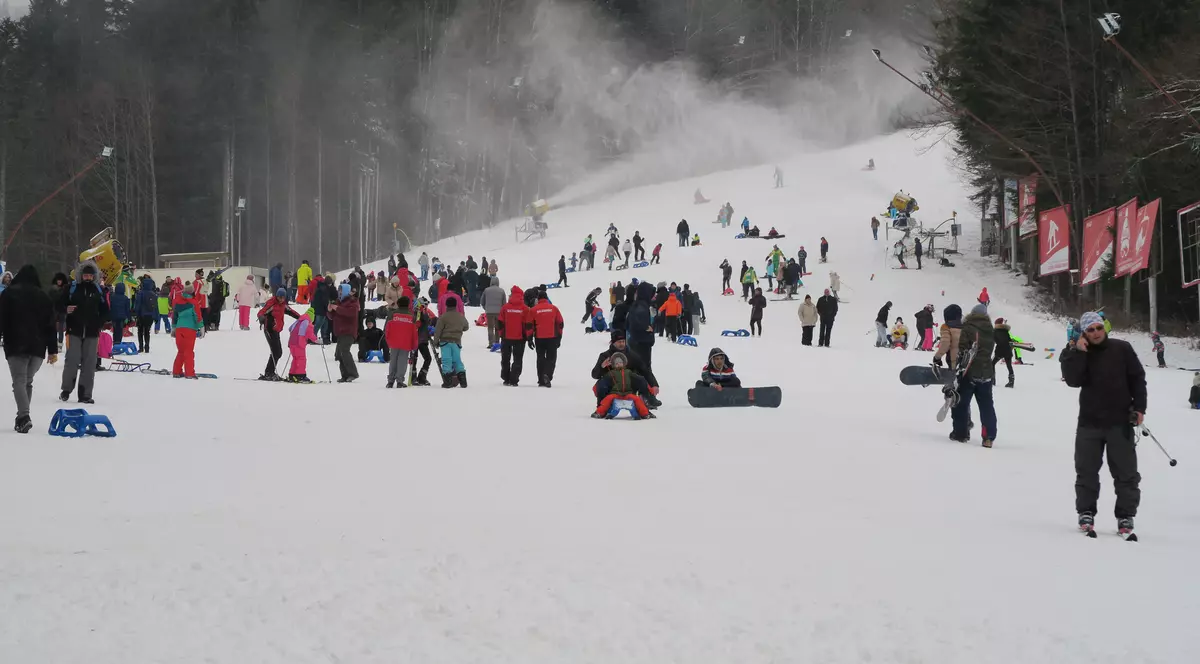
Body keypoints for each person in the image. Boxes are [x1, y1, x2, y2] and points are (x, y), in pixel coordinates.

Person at [1061, 311, 1147, 538]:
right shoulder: (1076, 351)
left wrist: (1139, 408)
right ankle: (1086, 512)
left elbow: (1138, 378)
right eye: (1090, 330)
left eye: (1099, 328)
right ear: (1084, 333)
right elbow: (1073, 380)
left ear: (1104, 328)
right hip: (1090, 423)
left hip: (1120, 422)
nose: (1096, 333)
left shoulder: (1122, 349)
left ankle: (1126, 515)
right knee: (1086, 471)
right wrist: (1078, 352)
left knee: (1126, 473)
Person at [0, 265, 58, 433]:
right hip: (38, 347)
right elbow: (50, 326)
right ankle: (22, 417)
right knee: (27, 381)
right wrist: (53, 350)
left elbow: (2, 318)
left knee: (19, 380)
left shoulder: (9, 294)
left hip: (16, 343)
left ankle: (24, 416)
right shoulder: (44, 297)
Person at [949, 304, 997, 447]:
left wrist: (956, 366)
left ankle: (961, 433)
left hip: (969, 372)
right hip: (986, 373)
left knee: (961, 404)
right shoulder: (990, 330)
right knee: (987, 406)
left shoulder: (968, 328)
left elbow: (963, 349)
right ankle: (988, 437)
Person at [60, 262, 108, 404]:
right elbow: (59, 304)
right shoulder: (72, 288)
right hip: (74, 330)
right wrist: (66, 309)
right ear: (80, 275)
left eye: (90, 275)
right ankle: (66, 389)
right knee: (72, 361)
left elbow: (105, 310)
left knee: (89, 363)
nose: (88, 278)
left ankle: (85, 394)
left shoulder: (98, 291)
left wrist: (100, 323)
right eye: (85, 275)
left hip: (92, 332)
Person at [591, 328, 660, 404]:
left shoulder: (631, 355)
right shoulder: (605, 356)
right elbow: (594, 375)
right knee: (601, 384)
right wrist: (602, 366)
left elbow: (645, 370)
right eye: (619, 342)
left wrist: (654, 384)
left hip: (628, 386)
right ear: (613, 343)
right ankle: (601, 404)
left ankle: (648, 398)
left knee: (641, 379)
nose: (621, 344)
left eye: (623, 341)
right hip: (612, 386)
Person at [591, 352, 655, 419]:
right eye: (616, 364)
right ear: (614, 365)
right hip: (615, 394)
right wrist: (596, 387)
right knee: (607, 400)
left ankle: (645, 414)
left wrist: (647, 385)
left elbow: (638, 378)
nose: (619, 365)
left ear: (623, 363)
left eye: (620, 363)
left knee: (637, 399)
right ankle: (599, 413)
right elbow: (603, 380)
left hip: (627, 394)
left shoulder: (628, 372)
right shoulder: (611, 373)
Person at [257, 288, 300, 380]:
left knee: (277, 352)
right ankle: (269, 373)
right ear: (276, 296)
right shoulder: (271, 303)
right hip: (269, 329)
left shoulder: (283, 305)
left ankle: (269, 372)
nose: (281, 299)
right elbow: (261, 312)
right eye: (279, 297)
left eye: (283, 297)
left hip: (276, 330)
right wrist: (261, 318)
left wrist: (301, 318)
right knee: (276, 352)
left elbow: (291, 312)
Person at [496, 286, 531, 386]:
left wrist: (501, 334)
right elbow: (527, 324)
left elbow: (500, 322)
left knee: (505, 358)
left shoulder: (505, 307)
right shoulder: (525, 308)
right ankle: (514, 378)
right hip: (520, 338)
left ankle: (506, 377)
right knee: (518, 359)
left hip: (506, 337)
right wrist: (528, 337)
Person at [433, 294, 470, 387]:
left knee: (446, 360)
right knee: (457, 360)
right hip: (457, 341)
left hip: (445, 342)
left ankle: (448, 382)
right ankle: (463, 381)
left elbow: (438, 330)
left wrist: (435, 341)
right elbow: (466, 327)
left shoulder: (443, 317)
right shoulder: (460, 316)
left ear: (446, 305)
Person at [327, 284, 361, 383]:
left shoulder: (352, 302)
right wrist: (330, 311)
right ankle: (345, 375)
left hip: (349, 331)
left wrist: (337, 308)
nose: (339, 292)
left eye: (341, 291)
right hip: (340, 331)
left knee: (344, 351)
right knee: (340, 354)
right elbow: (332, 317)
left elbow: (350, 313)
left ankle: (353, 373)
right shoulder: (339, 302)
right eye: (339, 290)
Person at [383, 296, 419, 388]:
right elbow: (414, 331)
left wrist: (387, 339)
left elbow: (387, 328)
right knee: (402, 362)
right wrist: (414, 344)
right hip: (406, 342)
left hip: (394, 341)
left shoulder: (392, 314)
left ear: (398, 304)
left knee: (393, 361)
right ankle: (400, 380)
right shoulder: (412, 317)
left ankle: (390, 381)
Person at [171, 280, 204, 379]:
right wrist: (201, 327)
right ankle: (189, 373)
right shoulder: (193, 302)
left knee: (181, 351)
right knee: (189, 351)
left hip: (179, 328)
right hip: (189, 329)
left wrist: (174, 328)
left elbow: (174, 316)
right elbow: (197, 316)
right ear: (192, 291)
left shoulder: (177, 302)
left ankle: (176, 371)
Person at [531, 288, 564, 387]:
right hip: (552, 337)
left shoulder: (534, 309)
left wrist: (529, 338)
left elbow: (529, 325)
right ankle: (547, 375)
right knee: (551, 358)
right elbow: (560, 323)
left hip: (539, 337)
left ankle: (541, 379)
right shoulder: (554, 308)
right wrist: (559, 337)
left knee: (540, 358)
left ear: (538, 298)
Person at [626, 281, 657, 371]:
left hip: (636, 341)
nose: (653, 297)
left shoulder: (637, 304)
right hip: (641, 343)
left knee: (637, 367)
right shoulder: (641, 306)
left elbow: (627, 323)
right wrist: (647, 328)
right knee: (643, 368)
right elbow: (636, 322)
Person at [284, 313, 318, 383]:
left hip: (291, 343)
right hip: (299, 344)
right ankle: (300, 375)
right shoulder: (307, 323)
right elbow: (310, 334)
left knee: (295, 359)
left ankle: (292, 374)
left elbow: (290, 329)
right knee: (301, 359)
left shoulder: (298, 321)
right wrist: (316, 340)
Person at [934, 304, 963, 370]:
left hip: (953, 360)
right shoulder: (965, 327)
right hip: (965, 361)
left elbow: (945, 344)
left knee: (954, 376)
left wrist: (937, 357)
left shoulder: (946, 327)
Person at [134, 276, 158, 353]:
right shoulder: (154, 294)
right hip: (150, 316)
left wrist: (136, 314)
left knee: (140, 331)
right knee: (147, 331)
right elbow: (156, 307)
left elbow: (138, 304)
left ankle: (141, 347)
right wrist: (156, 317)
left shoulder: (140, 293)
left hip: (141, 315)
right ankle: (147, 346)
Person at [479, 276, 504, 347]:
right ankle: (497, 343)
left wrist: (486, 308)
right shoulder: (501, 291)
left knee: (490, 328)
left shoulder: (486, 290)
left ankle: (490, 343)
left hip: (489, 312)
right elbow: (504, 303)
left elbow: (482, 301)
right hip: (499, 312)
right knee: (497, 328)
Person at [993, 317, 1015, 388]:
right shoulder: (1005, 331)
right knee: (1009, 366)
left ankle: (992, 380)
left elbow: (996, 341)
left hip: (1000, 351)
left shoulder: (995, 331)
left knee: (992, 364)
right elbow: (1009, 340)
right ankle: (1011, 381)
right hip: (1008, 350)